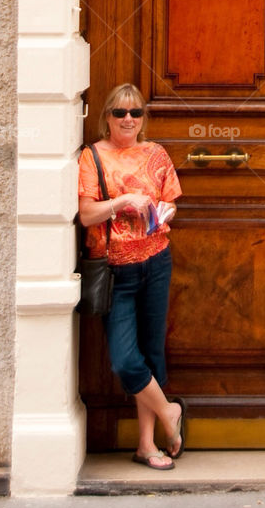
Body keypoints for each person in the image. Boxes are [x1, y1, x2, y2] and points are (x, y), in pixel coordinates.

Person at [78, 82, 186, 470]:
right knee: (125, 359)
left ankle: (146, 445)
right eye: (120, 112)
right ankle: (169, 412)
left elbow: (170, 203)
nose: (128, 119)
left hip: (156, 262)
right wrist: (124, 202)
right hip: (114, 270)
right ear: (106, 117)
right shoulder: (92, 157)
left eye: (135, 113)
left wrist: (157, 214)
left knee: (151, 352)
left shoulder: (155, 154)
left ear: (143, 119)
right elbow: (87, 214)